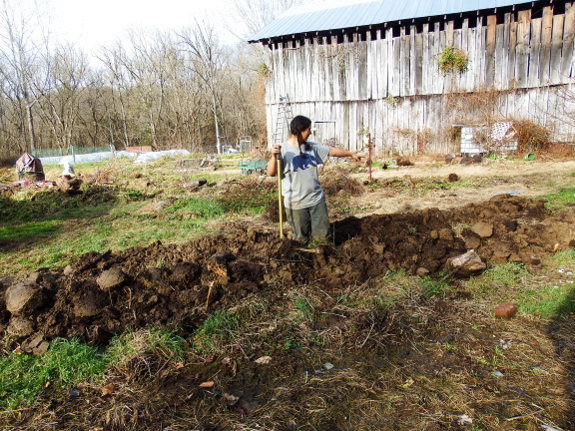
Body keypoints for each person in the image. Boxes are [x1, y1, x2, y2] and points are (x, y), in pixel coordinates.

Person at [267, 115, 363, 244]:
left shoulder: (310, 147)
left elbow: (331, 151)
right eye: (308, 129)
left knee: (323, 239)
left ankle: (323, 259)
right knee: (301, 239)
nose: (310, 132)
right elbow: (271, 172)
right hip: (296, 203)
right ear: (300, 130)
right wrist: (274, 156)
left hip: (316, 200)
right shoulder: (282, 150)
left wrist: (351, 154)